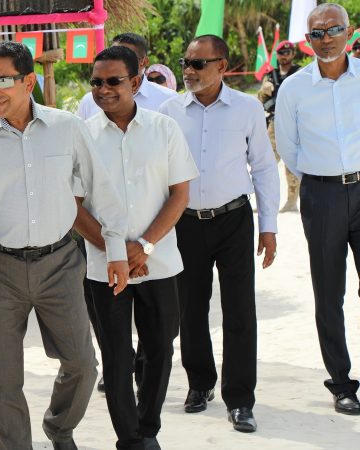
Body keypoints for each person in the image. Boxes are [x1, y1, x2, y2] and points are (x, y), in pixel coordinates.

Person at [0, 40, 129, 450]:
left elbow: (102, 191)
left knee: (82, 365)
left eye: (2, 81)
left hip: (60, 263)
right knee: (3, 377)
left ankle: (59, 427)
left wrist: (116, 252)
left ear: (28, 81)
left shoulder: (67, 128)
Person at [78, 46, 198, 450]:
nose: (103, 89)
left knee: (160, 351)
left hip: (159, 262)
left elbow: (180, 194)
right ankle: (129, 440)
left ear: (135, 81)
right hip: (104, 268)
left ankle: (148, 430)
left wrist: (143, 247)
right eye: (96, 82)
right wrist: (118, 252)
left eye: (113, 81)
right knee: (116, 356)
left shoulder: (164, 129)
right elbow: (73, 207)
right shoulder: (82, 136)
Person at [159, 34, 279, 433]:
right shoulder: (170, 111)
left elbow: (263, 167)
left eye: (198, 64)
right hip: (186, 223)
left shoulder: (247, 108)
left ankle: (240, 399)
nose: (188, 71)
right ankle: (200, 384)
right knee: (190, 308)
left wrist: (269, 227)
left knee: (240, 310)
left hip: (234, 220)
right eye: (185, 63)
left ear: (222, 67)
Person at [274, 2, 360, 416]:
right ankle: (342, 384)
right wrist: (321, 178)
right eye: (317, 33)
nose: (326, 39)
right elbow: (289, 149)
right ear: (308, 40)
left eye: (333, 30)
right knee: (329, 293)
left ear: (350, 30)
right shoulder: (294, 88)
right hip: (322, 197)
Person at [76, 33, 176, 120]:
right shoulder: (89, 101)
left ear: (144, 62)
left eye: (127, 57)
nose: (116, 63)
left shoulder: (168, 99)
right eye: (113, 56)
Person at [257, 40, 301, 213]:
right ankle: (265, 202)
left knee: (292, 165)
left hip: (295, 124)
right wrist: (264, 91)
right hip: (275, 124)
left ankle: (291, 202)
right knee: (267, 164)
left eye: (287, 53)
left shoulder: (300, 73)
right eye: (281, 53)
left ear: (293, 54)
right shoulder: (271, 75)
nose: (284, 56)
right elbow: (260, 100)